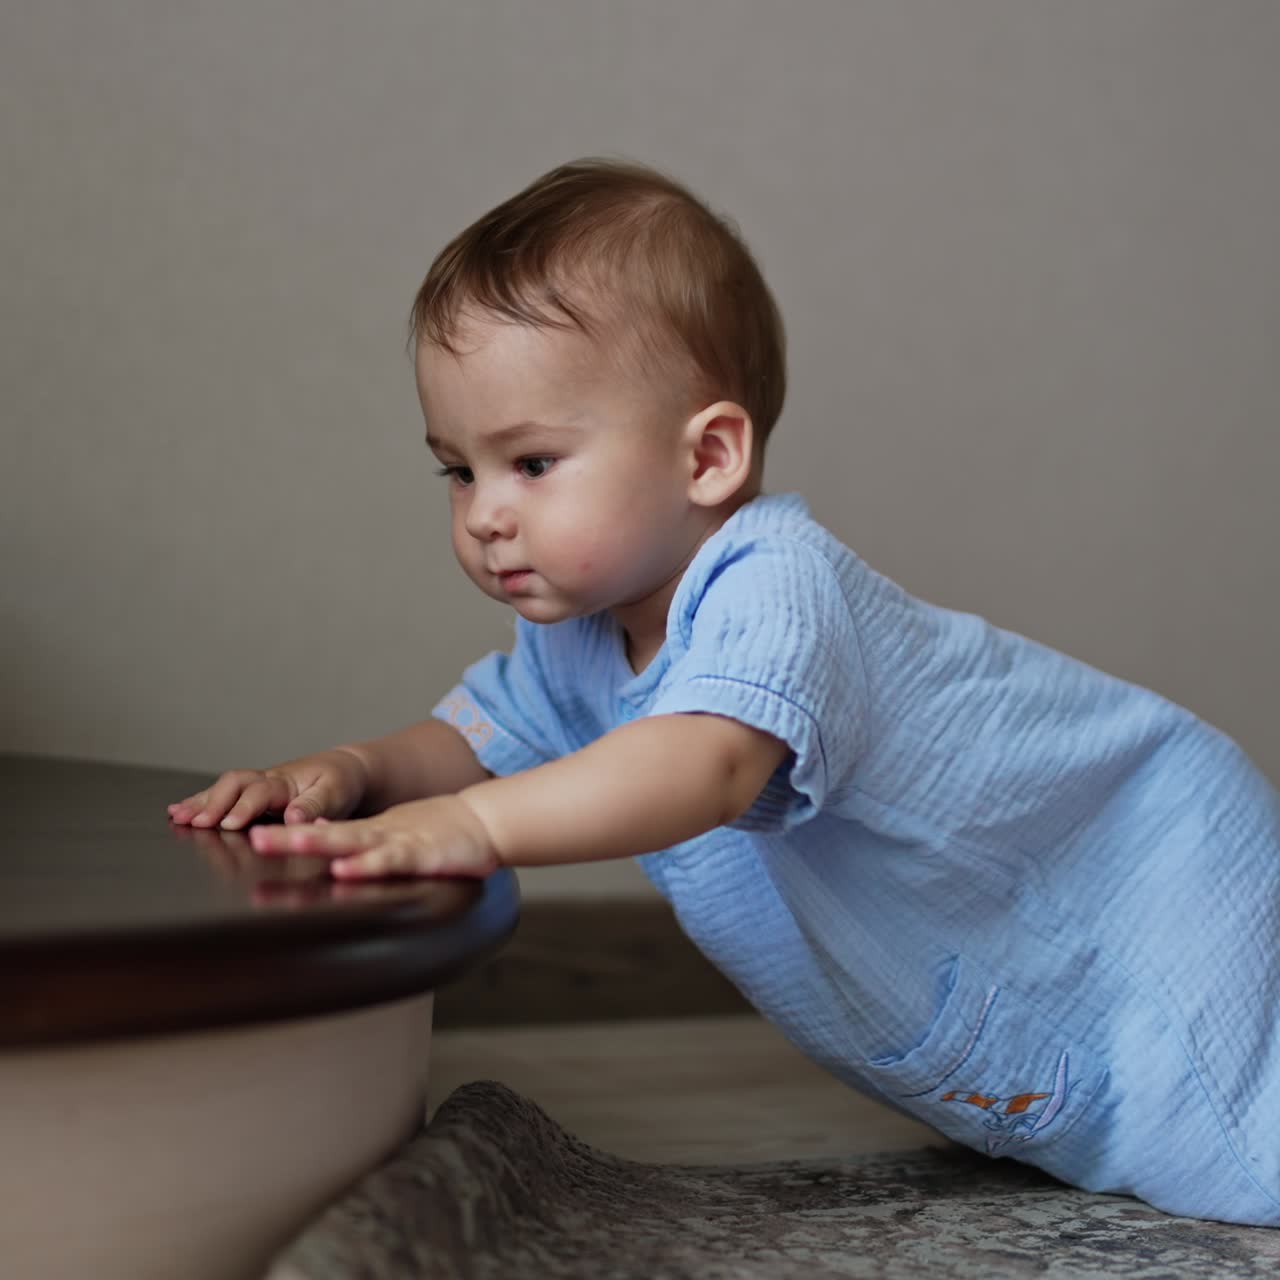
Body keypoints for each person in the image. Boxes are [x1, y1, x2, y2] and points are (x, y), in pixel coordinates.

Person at [169, 158, 1280, 1227]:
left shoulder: (770, 583)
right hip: (1028, 957)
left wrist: (467, 828)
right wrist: (349, 774)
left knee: (1245, 1143)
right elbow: (478, 734)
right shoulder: (578, 636)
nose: (483, 513)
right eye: (457, 470)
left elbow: (700, 762)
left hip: (1141, 885)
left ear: (706, 458)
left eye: (532, 463)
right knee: (1146, 1134)